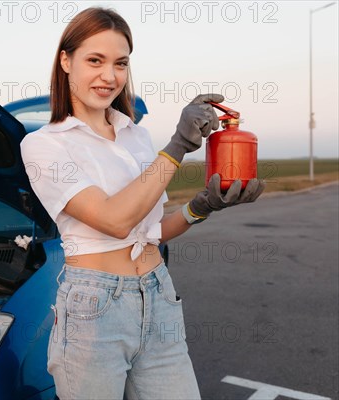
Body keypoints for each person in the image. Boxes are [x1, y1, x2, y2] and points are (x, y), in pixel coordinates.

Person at [19, 6, 265, 400]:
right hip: (94, 310)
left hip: (159, 295)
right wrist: (179, 146)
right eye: (94, 60)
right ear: (66, 61)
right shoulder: (44, 145)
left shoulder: (135, 136)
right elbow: (114, 221)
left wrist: (202, 206)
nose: (109, 76)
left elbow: (150, 231)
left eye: (120, 63)